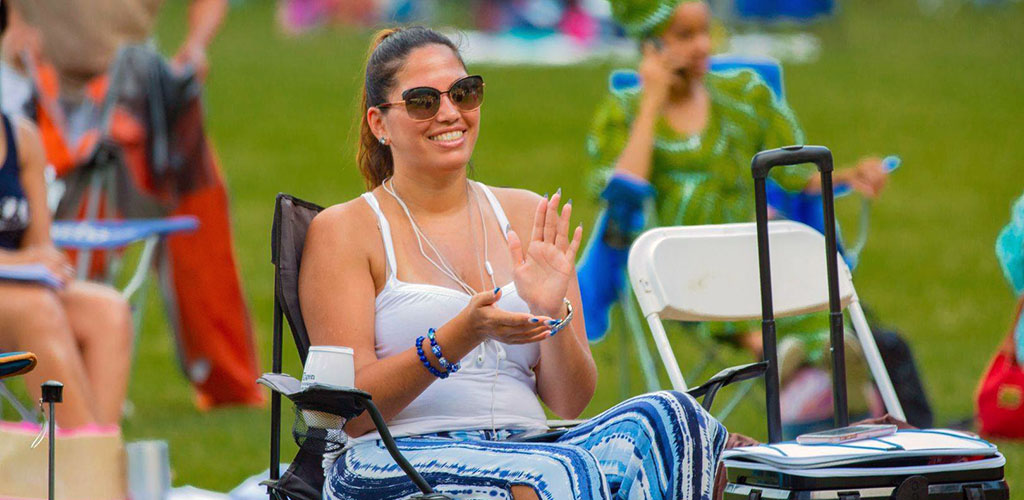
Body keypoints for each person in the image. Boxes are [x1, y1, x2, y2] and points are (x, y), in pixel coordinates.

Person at [300, 26, 728, 500]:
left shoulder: (525, 215)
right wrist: (462, 333)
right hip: (392, 458)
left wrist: (553, 317)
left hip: (532, 444)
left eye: (464, 93)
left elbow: (569, 400)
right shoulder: (347, 230)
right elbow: (350, 413)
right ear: (380, 124)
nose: (450, 113)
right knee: (557, 475)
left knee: (679, 424)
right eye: (423, 101)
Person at [0, 0, 263, 408]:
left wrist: (194, 46)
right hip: (42, 83)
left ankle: (222, 382)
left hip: (134, 89)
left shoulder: (22, 139)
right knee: (46, 280)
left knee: (115, 291)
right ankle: (76, 411)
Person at [0, 0, 132, 428]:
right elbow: (26, 258)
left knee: (108, 309)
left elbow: (40, 244)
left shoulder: (21, 138)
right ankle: (93, 473)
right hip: (18, 299)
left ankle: (91, 461)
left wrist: (44, 259)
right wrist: (21, 263)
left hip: (17, 294)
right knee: (37, 308)